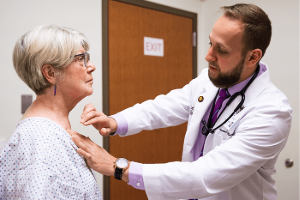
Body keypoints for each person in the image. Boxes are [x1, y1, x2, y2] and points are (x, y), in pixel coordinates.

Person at [69, 3, 292, 200]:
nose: (208, 56)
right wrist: (116, 121)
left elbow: (207, 174)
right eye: (210, 43)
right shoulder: (209, 79)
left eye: (221, 50)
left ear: (253, 57)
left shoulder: (271, 112)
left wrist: (118, 167)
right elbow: (165, 106)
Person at [0, 25, 102, 199]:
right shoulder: (41, 141)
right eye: (81, 59)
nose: (91, 66)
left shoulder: (50, 131)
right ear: (51, 73)